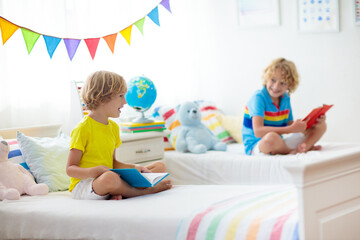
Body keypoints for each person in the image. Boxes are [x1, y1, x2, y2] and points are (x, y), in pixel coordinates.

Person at [66, 71, 172, 200]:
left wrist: (134, 168)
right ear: (102, 99)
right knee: (110, 178)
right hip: (86, 184)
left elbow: (113, 163)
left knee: (159, 166)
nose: (125, 102)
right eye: (121, 96)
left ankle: (118, 192)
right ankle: (144, 191)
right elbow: (70, 169)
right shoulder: (82, 129)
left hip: (107, 177)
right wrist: (93, 171)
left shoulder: (113, 127)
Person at [242, 58, 327, 155]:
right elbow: (258, 131)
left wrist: (308, 122)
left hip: (279, 143)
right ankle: (294, 151)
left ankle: (303, 147)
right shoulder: (258, 98)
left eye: (282, 83)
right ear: (267, 78)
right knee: (271, 138)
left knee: (321, 126)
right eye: (273, 80)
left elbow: (289, 124)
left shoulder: (285, 98)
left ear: (289, 85)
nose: (276, 86)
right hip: (258, 146)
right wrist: (290, 129)